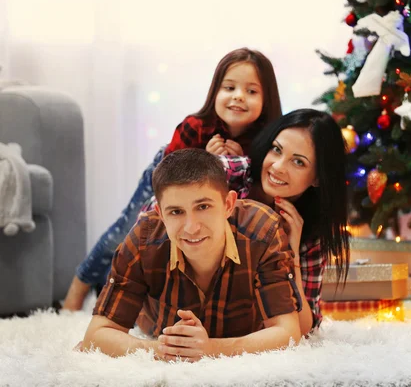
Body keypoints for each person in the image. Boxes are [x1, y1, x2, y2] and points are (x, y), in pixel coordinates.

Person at [64, 47, 282, 310]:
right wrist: (207, 159)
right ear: (215, 91)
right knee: (126, 231)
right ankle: (80, 285)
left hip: (210, 201)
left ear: (266, 99)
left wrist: (237, 164)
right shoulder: (195, 126)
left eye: (251, 91)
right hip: (166, 177)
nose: (238, 97)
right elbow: (173, 178)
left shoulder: (264, 143)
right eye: (229, 88)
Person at [81, 149, 301, 360]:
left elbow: (287, 331)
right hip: (155, 330)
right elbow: (97, 335)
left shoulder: (262, 230)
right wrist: (162, 349)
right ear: (160, 214)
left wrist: (210, 348)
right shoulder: (143, 238)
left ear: (228, 204)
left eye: (203, 207)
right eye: (176, 212)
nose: (191, 228)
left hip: (242, 332)